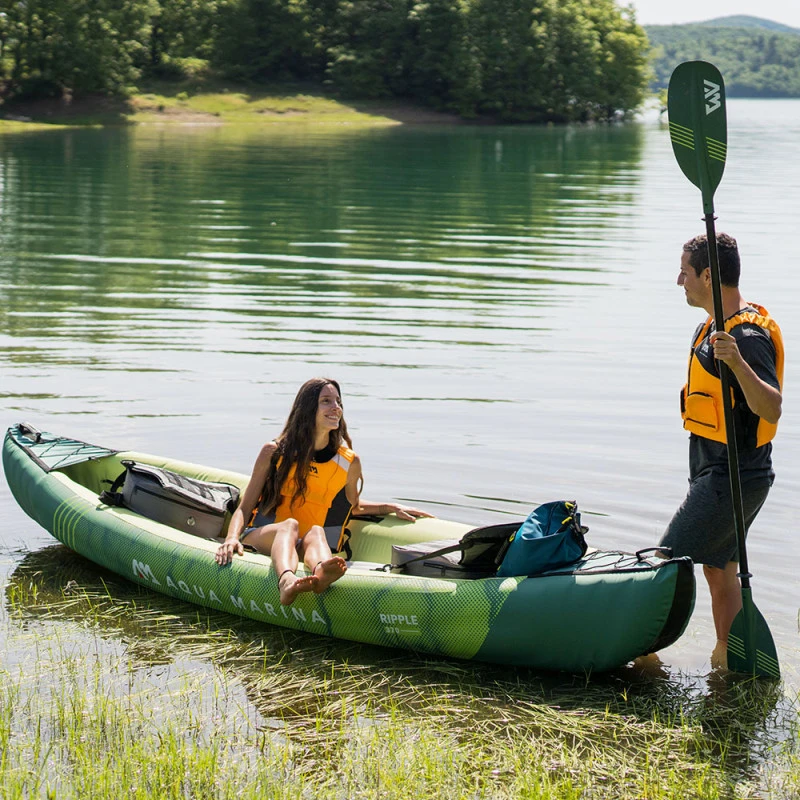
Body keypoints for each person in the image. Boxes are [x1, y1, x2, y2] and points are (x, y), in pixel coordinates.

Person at [660, 233, 783, 655]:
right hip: (718, 471)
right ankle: (728, 662)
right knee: (718, 569)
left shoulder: (745, 336)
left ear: (709, 276)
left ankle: (639, 663)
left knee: (663, 565)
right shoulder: (711, 327)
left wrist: (738, 362)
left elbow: (772, 408)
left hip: (732, 476)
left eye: (685, 272)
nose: (679, 280)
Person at [216, 378, 431, 605]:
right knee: (289, 526)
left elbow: (353, 507)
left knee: (317, 532)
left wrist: (390, 507)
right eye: (326, 401)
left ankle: (321, 572)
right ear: (308, 408)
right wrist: (231, 538)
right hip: (262, 538)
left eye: (338, 401)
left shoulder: (348, 462)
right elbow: (245, 508)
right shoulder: (274, 452)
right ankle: (286, 582)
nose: (336, 407)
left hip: (301, 545)